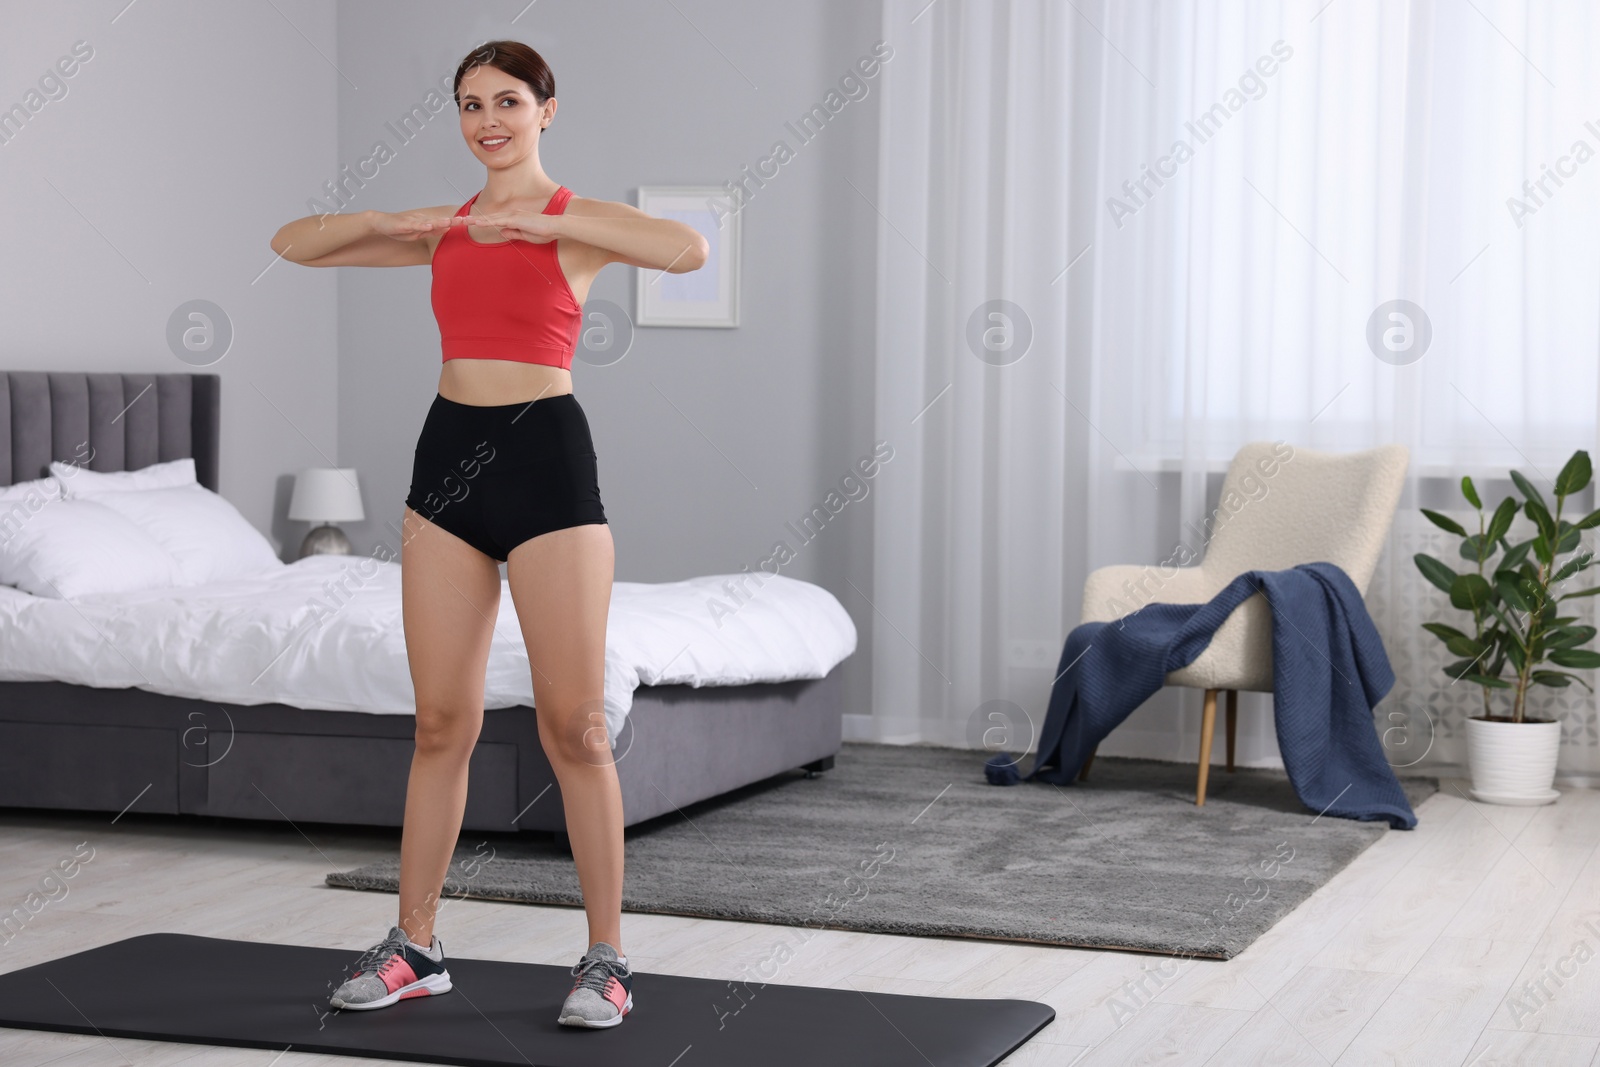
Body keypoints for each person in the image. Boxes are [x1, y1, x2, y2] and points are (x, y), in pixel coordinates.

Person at [269, 38, 708, 1029]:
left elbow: (688, 249)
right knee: (440, 723)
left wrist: (535, 221)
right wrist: (401, 220)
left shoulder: (573, 225)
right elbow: (291, 243)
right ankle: (416, 944)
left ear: (547, 109)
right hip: (445, 466)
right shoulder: (444, 228)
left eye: (507, 100)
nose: (487, 120)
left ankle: (606, 958)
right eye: (469, 104)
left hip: (546, 459)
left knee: (576, 725)